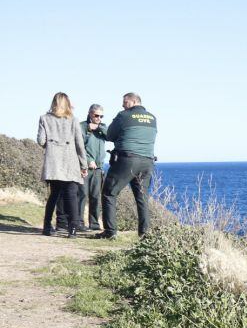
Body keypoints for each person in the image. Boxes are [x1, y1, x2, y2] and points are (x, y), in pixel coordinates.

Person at [100, 92, 157, 239]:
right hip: (147, 161)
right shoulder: (152, 118)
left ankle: (110, 232)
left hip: (128, 160)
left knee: (109, 192)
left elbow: (110, 135)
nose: (122, 105)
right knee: (142, 198)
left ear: (132, 102)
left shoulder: (123, 116)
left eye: (125, 102)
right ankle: (144, 234)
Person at [37, 92, 88, 238]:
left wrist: (52, 144)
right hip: (69, 162)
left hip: (53, 162)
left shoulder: (44, 118)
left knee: (54, 195)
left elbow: (41, 141)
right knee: (71, 195)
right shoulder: (73, 120)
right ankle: (72, 230)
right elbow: (80, 145)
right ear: (67, 103)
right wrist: (83, 165)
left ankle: (47, 226)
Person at [79, 104, 109, 231]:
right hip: (84, 167)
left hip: (98, 168)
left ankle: (94, 224)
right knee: (81, 196)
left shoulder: (103, 127)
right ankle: (78, 223)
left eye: (101, 116)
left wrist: (98, 127)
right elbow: (79, 147)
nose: (99, 118)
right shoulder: (81, 126)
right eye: (96, 115)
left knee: (96, 197)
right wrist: (88, 160)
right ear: (90, 113)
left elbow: (110, 136)